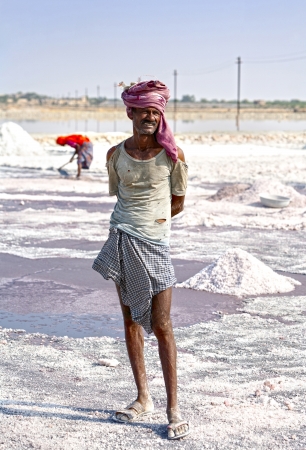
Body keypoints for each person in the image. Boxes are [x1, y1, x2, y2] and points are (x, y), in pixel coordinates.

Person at [92, 80, 190, 440]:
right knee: (131, 318)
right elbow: (119, 195)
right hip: (121, 239)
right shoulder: (114, 155)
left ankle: (173, 407)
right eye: (143, 110)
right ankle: (142, 398)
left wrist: (155, 224)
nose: (149, 116)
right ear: (130, 112)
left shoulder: (173, 156)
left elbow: (177, 201)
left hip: (157, 245)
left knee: (162, 324)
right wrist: (134, 225)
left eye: (155, 111)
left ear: (160, 114)